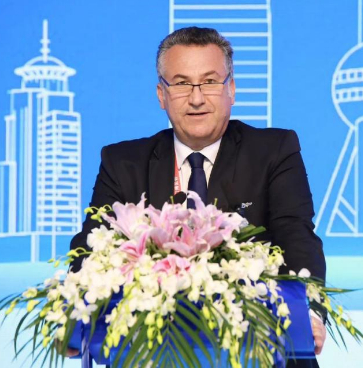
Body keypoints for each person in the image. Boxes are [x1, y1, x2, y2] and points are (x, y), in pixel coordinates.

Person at [70, 27, 326, 367]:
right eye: (181, 84)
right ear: (161, 94)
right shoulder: (122, 163)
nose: (196, 98)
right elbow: (91, 246)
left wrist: (310, 312)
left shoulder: (274, 151)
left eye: (209, 82)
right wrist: (73, 316)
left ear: (231, 89)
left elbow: (296, 236)